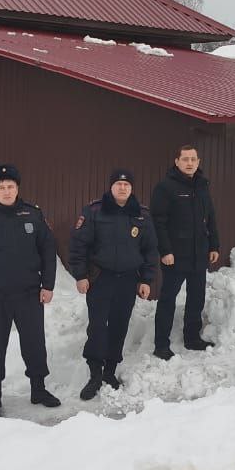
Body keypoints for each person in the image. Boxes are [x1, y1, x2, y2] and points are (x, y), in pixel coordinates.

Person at [0, 163, 61, 417]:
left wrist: (48, 285)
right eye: (1, 187)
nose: (7, 191)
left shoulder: (33, 215)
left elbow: (49, 252)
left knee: (35, 344)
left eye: (11, 187)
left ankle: (38, 389)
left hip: (29, 294)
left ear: (18, 189)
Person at [68, 169, 158, 400]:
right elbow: (79, 246)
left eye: (126, 185)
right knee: (98, 326)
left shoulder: (142, 215)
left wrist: (146, 279)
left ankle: (110, 371)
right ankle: (95, 374)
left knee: (119, 326)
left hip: (128, 280)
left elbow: (149, 250)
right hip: (100, 278)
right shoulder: (95, 211)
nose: (122, 188)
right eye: (118, 184)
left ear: (132, 188)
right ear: (111, 187)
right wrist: (81, 276)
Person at [150, 144, 220, 359]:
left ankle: (192, 338)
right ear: (177, 162)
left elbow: (211, 217)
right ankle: (161, 344)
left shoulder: (202, 186)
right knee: (168, 299)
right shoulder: (165, 187)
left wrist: (214, 245)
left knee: (197, 298)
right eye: (185, 159)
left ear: (198, 162)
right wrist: (165, 251)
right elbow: (158, 222)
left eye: (193, 159)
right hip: (175, 255)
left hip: (199, 252)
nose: (189, 163)